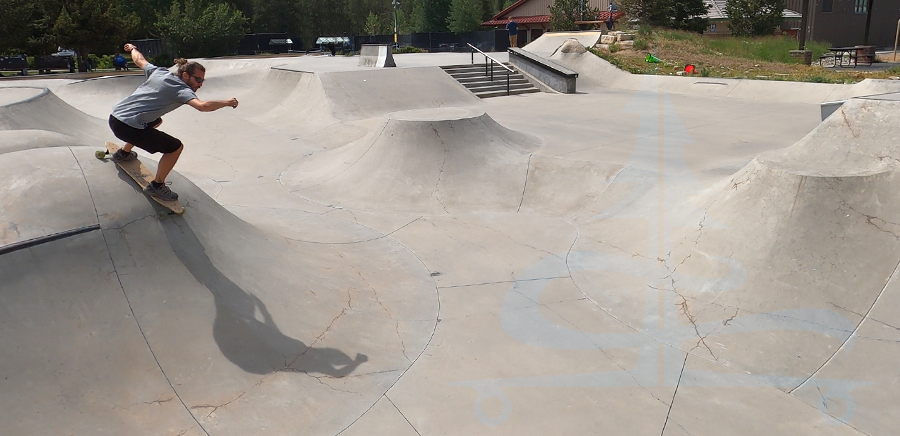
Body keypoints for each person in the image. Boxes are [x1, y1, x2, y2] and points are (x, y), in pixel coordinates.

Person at [108, 43, 239, 201]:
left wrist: (133, 49)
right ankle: (157, 186)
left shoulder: (159, 72)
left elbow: (139, 60)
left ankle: (124, 153)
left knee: (156, 121)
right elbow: (202, 106)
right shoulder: (182, 90)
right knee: (175, 147)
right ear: (185, 76)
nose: (200, 84)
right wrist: (226, 102)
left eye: (202, 80)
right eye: (198, 80)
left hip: (115, 117)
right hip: (127, 128)